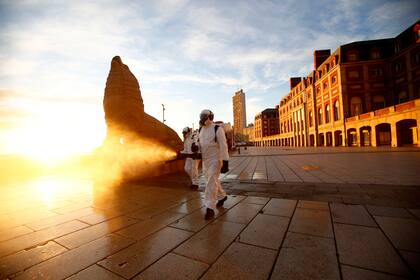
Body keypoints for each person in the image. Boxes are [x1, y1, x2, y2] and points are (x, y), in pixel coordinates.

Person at [198, 109, 229, 220]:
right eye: (201, 116)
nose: (202, 119)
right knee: (212, 181)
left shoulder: (217, 129)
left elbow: (223, 145)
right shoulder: (201, 130)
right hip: (205, 161)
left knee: (211, 182)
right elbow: (200, 144)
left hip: (215, 159)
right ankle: (222, 196)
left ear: (210, 117)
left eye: (204, 116)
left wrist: (225, 161)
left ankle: (210, 208)